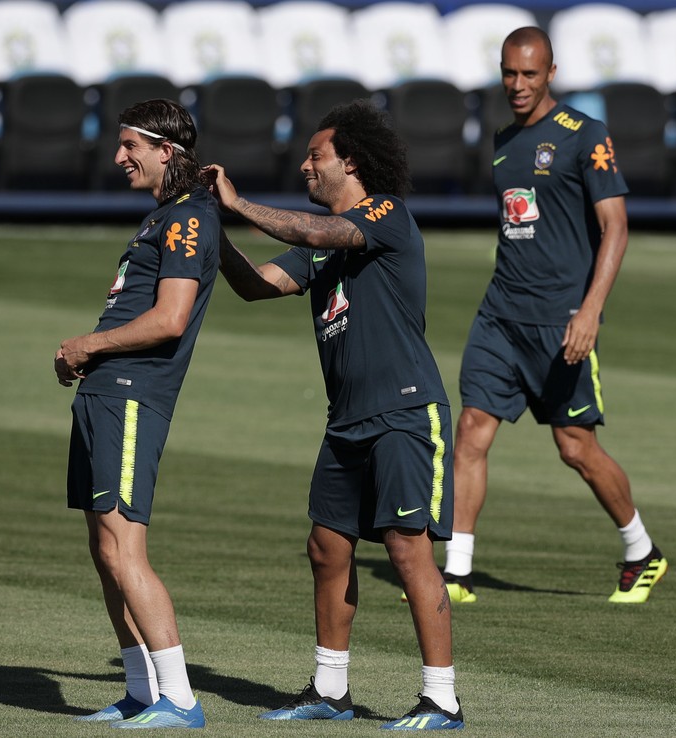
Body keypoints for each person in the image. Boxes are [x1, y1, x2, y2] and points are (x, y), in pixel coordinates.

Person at [204, 99, 465, 731]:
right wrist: (211, 230)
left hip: (405, 412)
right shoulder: (318, 248)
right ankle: (330, 690)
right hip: (346, 420)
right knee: (326, 547)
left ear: (350, 161)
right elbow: (254, 285)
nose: (305, 166)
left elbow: (317, 232)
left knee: (408, 550)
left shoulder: (385, 215)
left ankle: (442, 699)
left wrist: (238, 205)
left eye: (316, 156)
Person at [442, 27, 668, 606]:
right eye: (509, 73)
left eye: (529, 74)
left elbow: (615, 226)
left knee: (575, 447)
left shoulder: (584, 137)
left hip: (561, 320)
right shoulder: (500, 141)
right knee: (471, 430)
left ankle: (642, 551)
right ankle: (457, 573)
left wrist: (590, 311)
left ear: (551, 73)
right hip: (500, 315)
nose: (518, 85)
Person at [55, 98, 219, 729]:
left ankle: (180, 698)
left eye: (131, 146)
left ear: (165, 151)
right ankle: (140, 691)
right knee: (105, 549)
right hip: (104, 390)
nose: (119, 156)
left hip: (131, 394)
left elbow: (170, 319)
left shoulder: (188, 220)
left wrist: (87, 345)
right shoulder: (165, 217)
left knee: (125, 548)